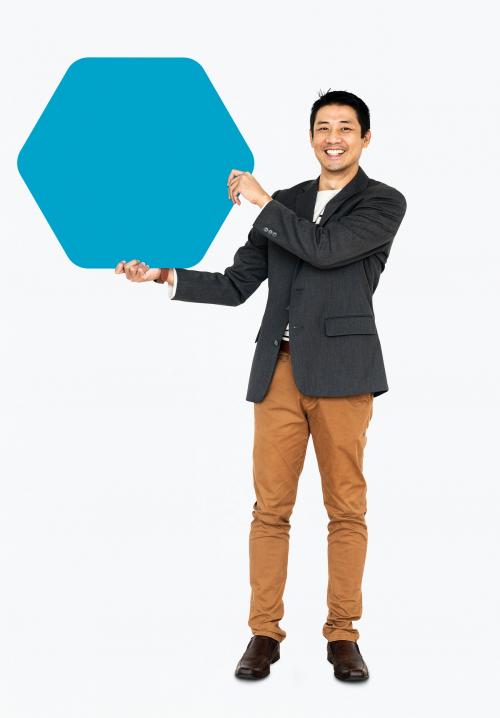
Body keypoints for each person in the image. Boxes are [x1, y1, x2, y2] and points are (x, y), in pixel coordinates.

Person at [115, 90, 407, 682]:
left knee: (345, 509)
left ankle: (343, 634)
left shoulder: (382, 203)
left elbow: (326, 252)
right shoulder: (287, 202)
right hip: (277, 373)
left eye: (345, 128)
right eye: (323, 127)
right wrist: (162, 275)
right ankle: (263, 633)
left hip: (344, 376)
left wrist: (263, 200)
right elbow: (235, 284)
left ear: (365, 138)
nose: (333, 137)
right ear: (310, 136)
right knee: (270, 509)